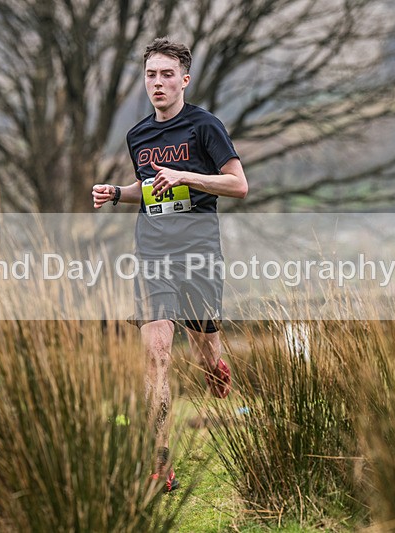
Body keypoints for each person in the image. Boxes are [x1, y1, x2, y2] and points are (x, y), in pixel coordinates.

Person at [92, 37, 248, 492]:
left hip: (198, 250)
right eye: (150, 74)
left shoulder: (205, 126)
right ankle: (160, 461)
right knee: (157, 352)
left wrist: (187, 175)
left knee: (205, 350)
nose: (157, 83)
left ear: (184, 79)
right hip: (152, 252)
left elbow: (238, 185)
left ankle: (215, 363)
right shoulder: (137, 135)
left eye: (166, 74)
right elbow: (150, 186)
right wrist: (118, 193)